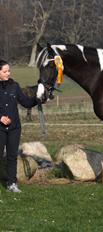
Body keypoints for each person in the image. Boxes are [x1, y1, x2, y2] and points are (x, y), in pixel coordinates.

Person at [0, 59, 38, 193]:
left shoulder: (14, 86)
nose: (8, 73)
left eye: (9, 70)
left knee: (12, 156)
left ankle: (12, 184)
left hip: (15, 128)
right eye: (5, 71)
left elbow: (26, 102)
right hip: (0, 129)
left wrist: (38, 99)